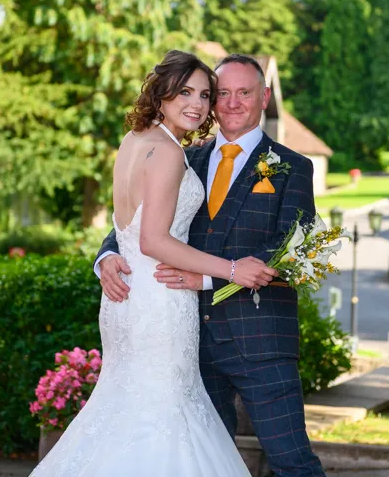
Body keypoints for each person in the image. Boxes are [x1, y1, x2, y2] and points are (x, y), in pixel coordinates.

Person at [30, 50, 274, 477]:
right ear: (161, 93)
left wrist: (107, 256)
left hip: (127, 300)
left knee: (123, 408)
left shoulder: (135, 140)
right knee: (162, 415)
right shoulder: (168, 153)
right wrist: (232, 269)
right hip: (159, 300)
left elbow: (127, 229)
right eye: (185, 92)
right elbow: (154, 240)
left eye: (204, 94)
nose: (197, 104)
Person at [96, 54, 327, 476]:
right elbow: (140, 222)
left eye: (245, 93)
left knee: (293, 462)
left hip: (260, 344)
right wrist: (108, 256)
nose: (232, 102)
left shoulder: (294, 167)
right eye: (222, 94)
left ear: (265, 97)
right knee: (200, 462)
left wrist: (203, 277)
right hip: (189, 342)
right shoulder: (185, 156)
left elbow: (291, 253)